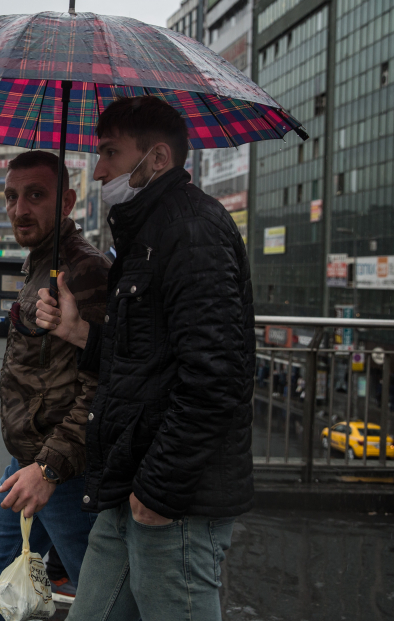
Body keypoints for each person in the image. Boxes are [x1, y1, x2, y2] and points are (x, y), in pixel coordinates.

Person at [35, 96, 255, 621]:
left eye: (110, 153)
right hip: (127, 480)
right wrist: (77, 330)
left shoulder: (192, 230)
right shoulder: (145, 234)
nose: (98, 170)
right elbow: (144, 358)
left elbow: (215, 377)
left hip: (173, 499)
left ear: (157, 158)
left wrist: (157, 490)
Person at [0, 150, 110, 620]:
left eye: (35, 195)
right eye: (10, 196)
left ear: (66, 200)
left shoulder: (83, 272)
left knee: (102, 596)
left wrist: (49, 469)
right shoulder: (39, 263)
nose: (19, 209)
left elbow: (101, 382)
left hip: (63, 470)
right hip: (28, 460)